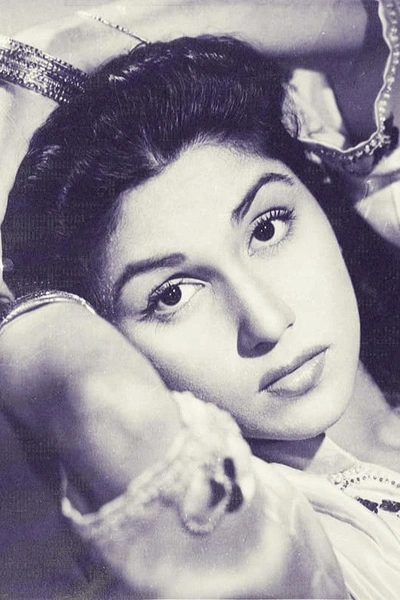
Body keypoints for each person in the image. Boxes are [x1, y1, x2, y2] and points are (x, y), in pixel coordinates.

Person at [2, 33, 400, 599]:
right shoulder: (273, 545)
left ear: (317, 196)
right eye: (172, 296)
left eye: (267, 228)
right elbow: (106, 401)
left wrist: (76, 44)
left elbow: (366, 39)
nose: (266, 321)